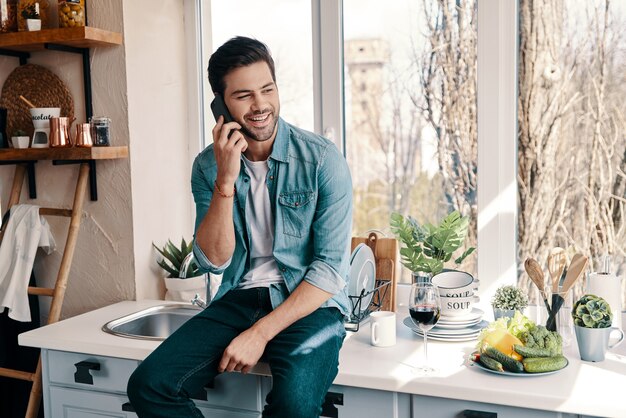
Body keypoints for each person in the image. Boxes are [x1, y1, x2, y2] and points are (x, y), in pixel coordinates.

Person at [127, 36, 353, 418]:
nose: (260, 104)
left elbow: (330, 270)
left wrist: (259, 333)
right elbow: (214, 261)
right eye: (244, 95)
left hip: (308, 304)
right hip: (238, 300)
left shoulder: (322, 160)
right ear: (221, 105)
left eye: (267, 89)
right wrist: (226, 181)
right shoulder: (208, 168)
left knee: (294, 406)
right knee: (149, 385)